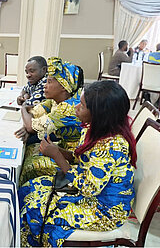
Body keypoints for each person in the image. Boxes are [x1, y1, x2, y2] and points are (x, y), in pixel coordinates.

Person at [19, 81, 137, 247]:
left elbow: (89, 187)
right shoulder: (94, 130)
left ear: (98, 113)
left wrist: (58, 157)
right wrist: (57, 150)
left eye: (81, 106)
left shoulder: (111, 145)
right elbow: (81, 158)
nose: (76, 108)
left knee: (36, 212)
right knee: (31, 188)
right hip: (92, 196)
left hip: (104, 210)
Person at [15, 57, 84, 185]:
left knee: (30, 164)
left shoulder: (67, 108)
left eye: (49, 82)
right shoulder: (55, 100)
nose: (45, 86)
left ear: (64, 87)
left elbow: (30, 125)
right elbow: (34, 114)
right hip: (63, 148)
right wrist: (28, 124)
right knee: (30, 148)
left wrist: (23, 108)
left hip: (75, 158)